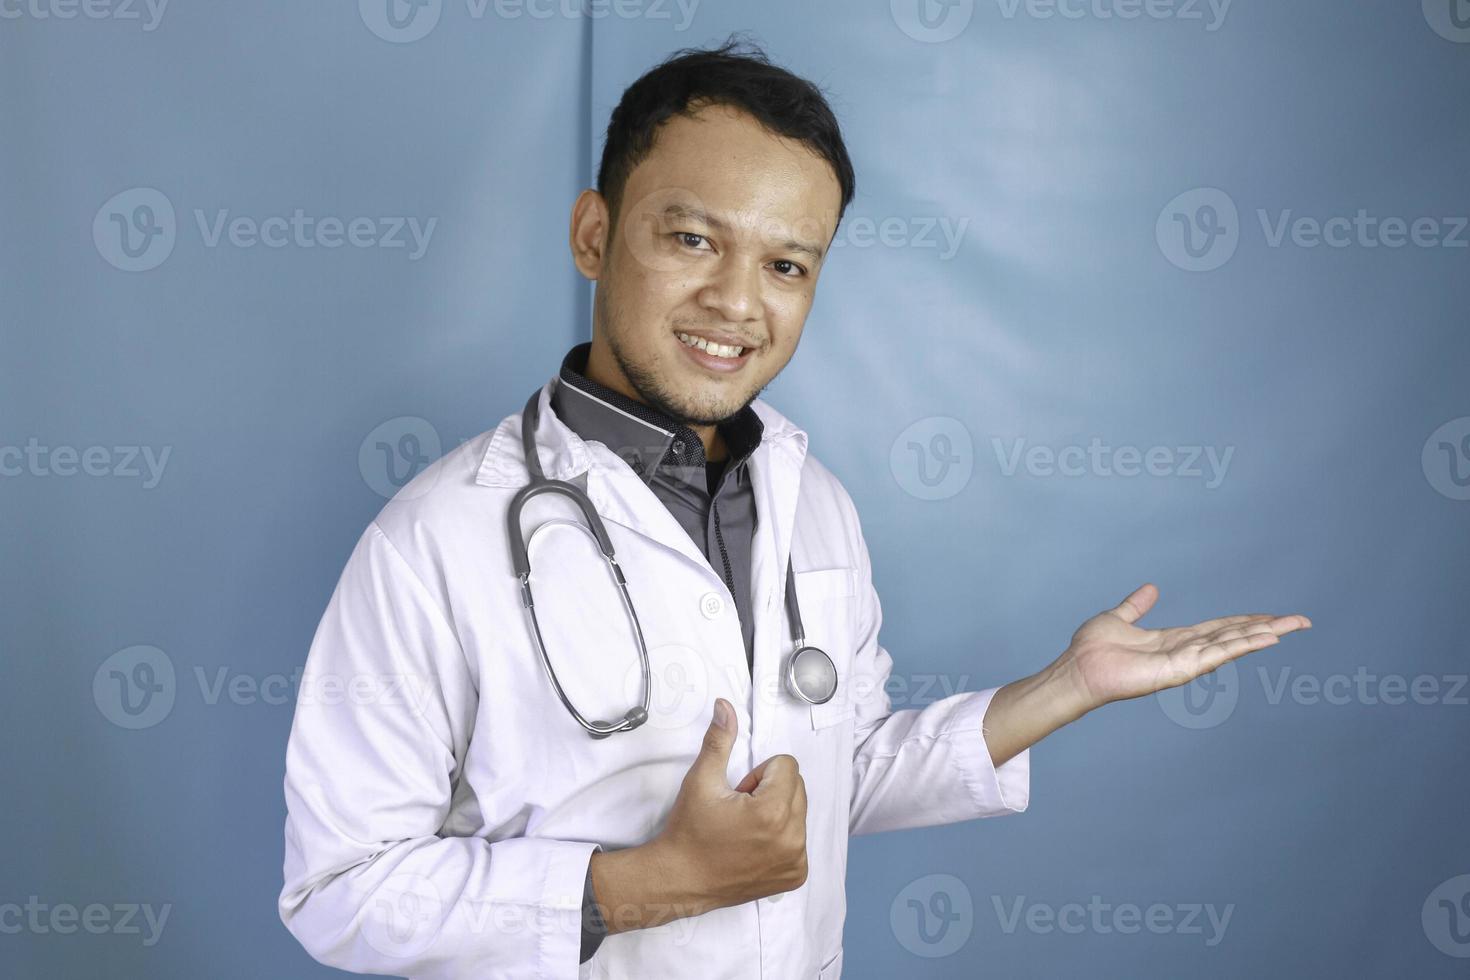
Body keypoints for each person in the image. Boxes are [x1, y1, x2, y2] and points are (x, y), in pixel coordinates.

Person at [277, 37, 1311, 979]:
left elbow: (835, 768)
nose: (738, 300)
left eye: (785, 265)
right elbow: (338, 891)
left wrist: (1060, 687)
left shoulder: (813, 502)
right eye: (690, 239)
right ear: (594, 233)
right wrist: (649, 883)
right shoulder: (437, 537)